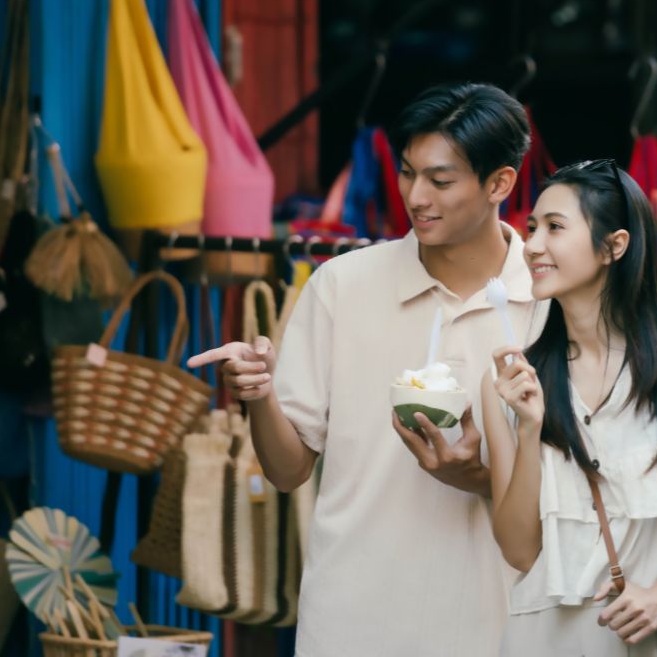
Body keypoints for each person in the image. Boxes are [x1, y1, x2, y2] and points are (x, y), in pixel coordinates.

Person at [188, 83, 547, 657]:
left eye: (441, 179)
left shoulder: (551, 300)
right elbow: (288, 470)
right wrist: (259, 395)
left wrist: (479, 477)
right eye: (408, 173)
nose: (416, 196)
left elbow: (593, 488)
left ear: (499, 183)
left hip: (509, 627)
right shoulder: (342, 285)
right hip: (355, 622)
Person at [482, 159, 657, 656]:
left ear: (614, 245)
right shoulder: (511, 383)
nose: (531, 246)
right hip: (542, 640)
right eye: (531, 228)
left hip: (653, 636)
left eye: (555, 228)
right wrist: (530, 430)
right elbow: (520, 551)